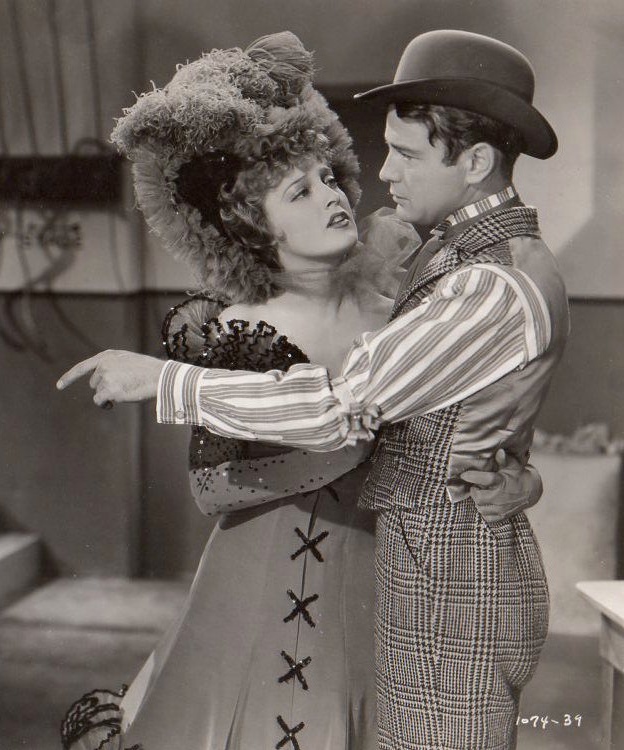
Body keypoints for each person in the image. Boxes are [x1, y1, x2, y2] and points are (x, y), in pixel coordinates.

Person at [59, 29, 568, 750]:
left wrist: (514, 473)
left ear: (476, 162)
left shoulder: (447, 277)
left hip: (415, 580)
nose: (363, 180)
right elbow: (217, 484)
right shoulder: (248, 320)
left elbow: (405, 405)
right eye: (301, 189)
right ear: (249, 221)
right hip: (288, 577)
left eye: (331, 177)